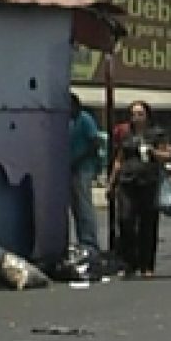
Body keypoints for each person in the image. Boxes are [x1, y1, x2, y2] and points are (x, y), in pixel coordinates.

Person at [108, 100, 171, 278]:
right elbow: (119, 158)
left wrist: (153, 152)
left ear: (147, 115)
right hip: (127, 183)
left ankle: (147, 264)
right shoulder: (126, 133)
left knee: (147, 224)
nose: (136, 117)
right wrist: (111, 182)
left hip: (148, 183)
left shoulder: (157, 133)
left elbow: (167, 156)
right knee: (125, 220)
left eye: (140, 114)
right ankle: (129, 262)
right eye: (133, 114)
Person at [68, 92, 102, 252]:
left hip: (83, 167)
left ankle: (89, 242)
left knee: (83, 205)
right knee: (72, 207)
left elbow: (94, 142)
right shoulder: (66, 122)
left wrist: (78, 159)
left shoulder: (84, 119)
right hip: (67, 168)